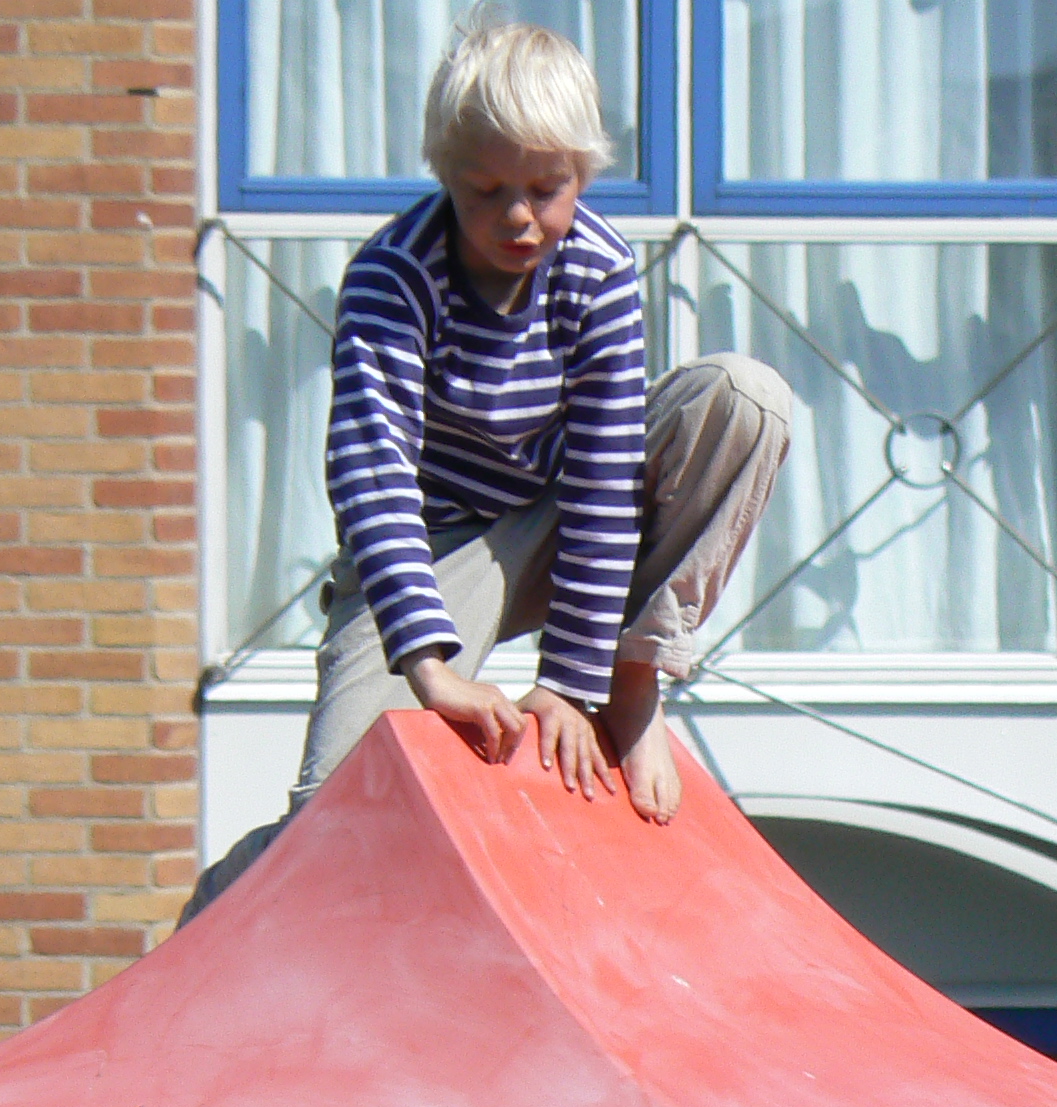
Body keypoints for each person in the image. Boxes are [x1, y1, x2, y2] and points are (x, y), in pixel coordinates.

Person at [186, 18, 791, 915]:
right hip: (434, 547)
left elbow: (603, 475)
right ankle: (228, 894)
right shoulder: (394, 277)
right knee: (337, 813)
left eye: (546, 190)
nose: (517, 217)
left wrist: (571, 682)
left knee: (745, 398)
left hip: (557, 523)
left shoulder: (599, 268)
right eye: (485, 192)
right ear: (445, 176)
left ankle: (636, 676)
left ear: (583, 174)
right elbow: (373, 476)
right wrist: (430, 668)